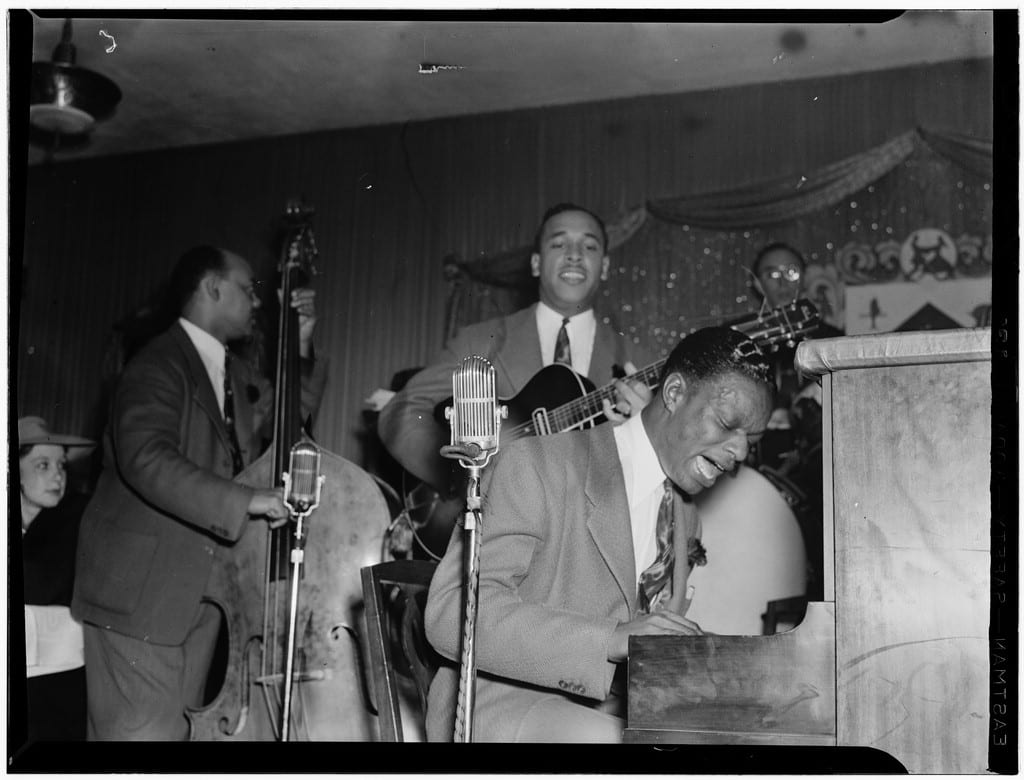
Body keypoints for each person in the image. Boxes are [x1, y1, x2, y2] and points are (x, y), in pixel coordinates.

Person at [423, 326, 774, 742]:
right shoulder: (537, 463)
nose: (739, 454)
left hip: (609, 713)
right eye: (727, 424)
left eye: (751, 440)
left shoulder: (685, 516)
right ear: (675, 393)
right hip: (496, 706)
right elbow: (452, 617)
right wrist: (610, 641)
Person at [71, 245, 326, 740]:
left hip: (195, 599)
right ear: (212, 288)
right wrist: (244, 500)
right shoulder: (157, 364)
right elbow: (144, 457)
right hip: (141, 599)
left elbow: (282, 424)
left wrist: (302, 345)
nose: (257, 302)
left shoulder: (229, 374)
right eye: (247, 289)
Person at [378, 203, 657, 498]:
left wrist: (646, 431)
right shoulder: (480, 342)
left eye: (589, 246)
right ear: (535, 264)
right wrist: (459, 476)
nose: (574, 254)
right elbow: (401, 411)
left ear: (605, 267)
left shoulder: (641, 364)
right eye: (559, 243)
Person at [748, 242, 843, 601]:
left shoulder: (830, 336)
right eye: (773, 274)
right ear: (757, 284)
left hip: (815, 465)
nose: (784, 282)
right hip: (757, 459)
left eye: (792, 273)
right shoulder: (745, 339)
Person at [18, 416, 95, 742]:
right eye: (42, 465)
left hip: (61, 680)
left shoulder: (76, 516)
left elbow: (41, 585)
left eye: (61, 465)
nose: (57, 476)